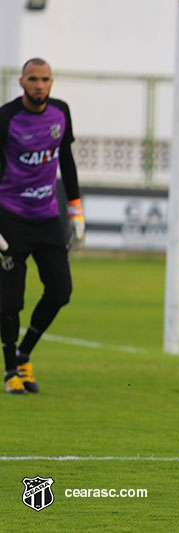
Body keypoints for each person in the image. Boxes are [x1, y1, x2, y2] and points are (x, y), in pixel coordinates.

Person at [0, 58, 85, 395]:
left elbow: (66, 159)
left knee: (61, 291)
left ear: (52, 82)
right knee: (9, 302)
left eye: (45, 79)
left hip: (48, 217)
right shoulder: (5, 118)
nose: (39, 85)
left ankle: (24, 353)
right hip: (10, 218)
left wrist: (75, 210)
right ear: (21, 82)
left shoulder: (61, 113)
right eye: (33, 79)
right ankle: (10, 371)